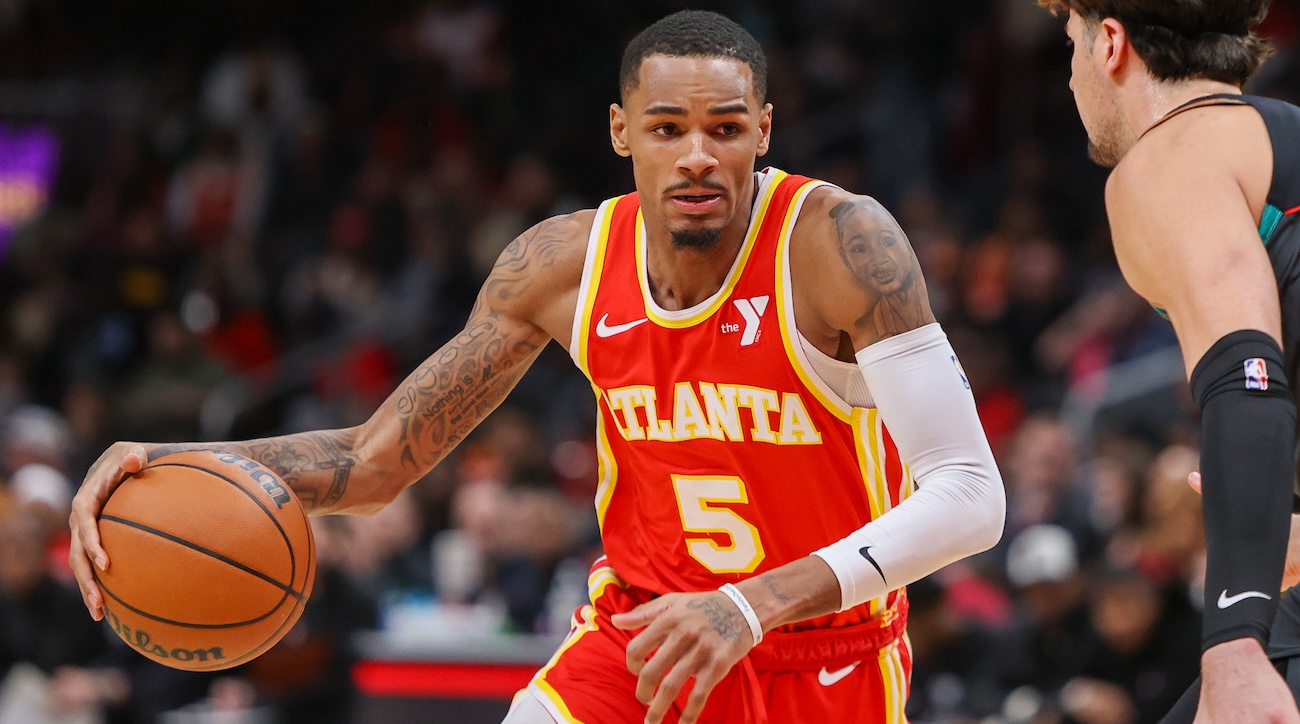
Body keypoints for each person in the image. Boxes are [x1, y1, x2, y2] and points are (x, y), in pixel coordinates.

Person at [68, 11, 1006, 724]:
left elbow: (970, 494)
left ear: (764, 128)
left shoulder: (839, 243)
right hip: (636, 640)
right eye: (667, 126)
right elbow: (375, 459)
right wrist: (175, 464)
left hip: (820, 653)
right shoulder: (560, 265)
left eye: (724, 128)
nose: (696, 155)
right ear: (619, 130)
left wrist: (749, 607)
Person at [1039, 0, 1300, 721]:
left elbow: (1247, 377)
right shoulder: (1280, 138)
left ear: (1111, 45)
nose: (1068, 80)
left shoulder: (1169, 158)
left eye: (1070, 47)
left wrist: (1233, 644)